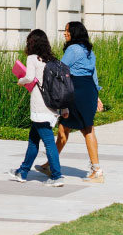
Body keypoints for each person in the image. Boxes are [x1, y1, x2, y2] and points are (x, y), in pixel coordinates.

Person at [38, 20, 105, 184]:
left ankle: (97, 171)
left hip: (77, 90)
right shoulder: (89, 50)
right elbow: (93, 74)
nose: (65, 33)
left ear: (74, 32)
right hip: (88, 89)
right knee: (65, 127)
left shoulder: (73, 49)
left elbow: (60, 68)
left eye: (67, 30)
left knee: (86, 129)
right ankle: (49, 164)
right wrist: (96, 96)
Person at [8, 28, 64, 186]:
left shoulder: (33, 58)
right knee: (33, 140)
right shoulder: (51, 59)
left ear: (31, 43)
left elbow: (30, 77)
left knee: (48, 142)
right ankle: (23, 172)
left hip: (40, 106)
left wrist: (21, 81)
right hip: (52, 105)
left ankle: (56, 176)